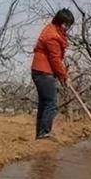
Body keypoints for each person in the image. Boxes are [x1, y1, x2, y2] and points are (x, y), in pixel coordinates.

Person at [31, 8, 74, 139]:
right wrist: (64, 76)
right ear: (62, 23)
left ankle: (40, 133)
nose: (67, 28)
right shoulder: (52, 36)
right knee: (51, 103)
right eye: (67, 25)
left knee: (44, 103)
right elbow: (55, 59)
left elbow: (56, 59)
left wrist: (63, 75)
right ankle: (44, 133)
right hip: (44, 71)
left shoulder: (52, 30)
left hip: (42, 71)